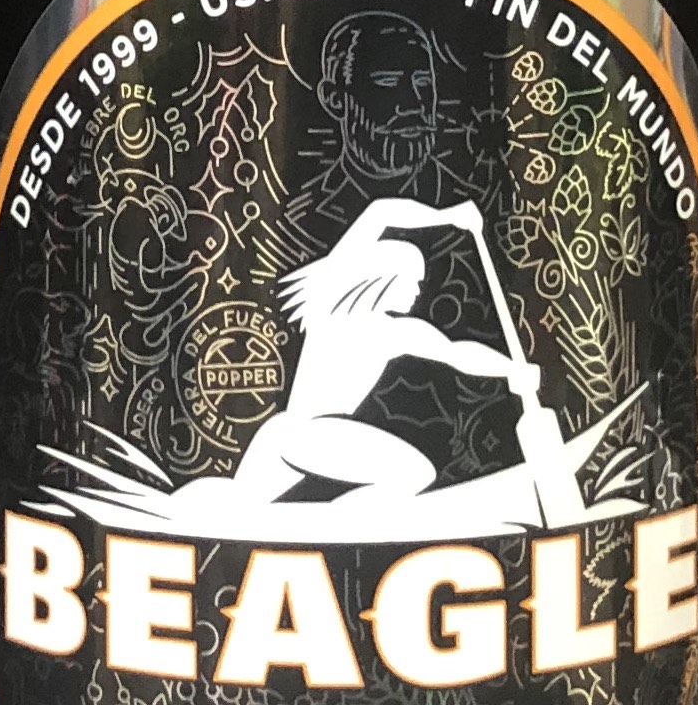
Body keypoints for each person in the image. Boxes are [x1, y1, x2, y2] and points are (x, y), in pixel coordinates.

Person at [229, 192, 538, 505]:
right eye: (414, 281)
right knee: (415, 474)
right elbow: (380, 212)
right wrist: (447, 216)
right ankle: (337, 522)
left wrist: (512, 369)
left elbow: (457, 352)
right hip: (314, 434)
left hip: (282, 433)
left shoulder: (388, 329)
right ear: (386, 277)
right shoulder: (334, 303)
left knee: (235, 510)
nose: (418, 291)